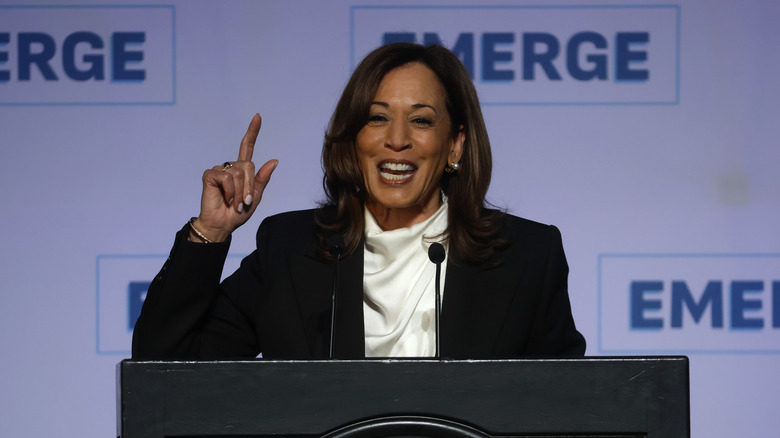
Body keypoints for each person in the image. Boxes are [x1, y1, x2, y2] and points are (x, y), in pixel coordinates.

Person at [131, 43, 585, 360]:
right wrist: (210, 233)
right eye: (377, 118)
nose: (398, 141)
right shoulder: (291, 249)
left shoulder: (527, 256)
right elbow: (165, 369)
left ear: (455, 146)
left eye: (422, 121)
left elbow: (568, 410)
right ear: (353, 140)